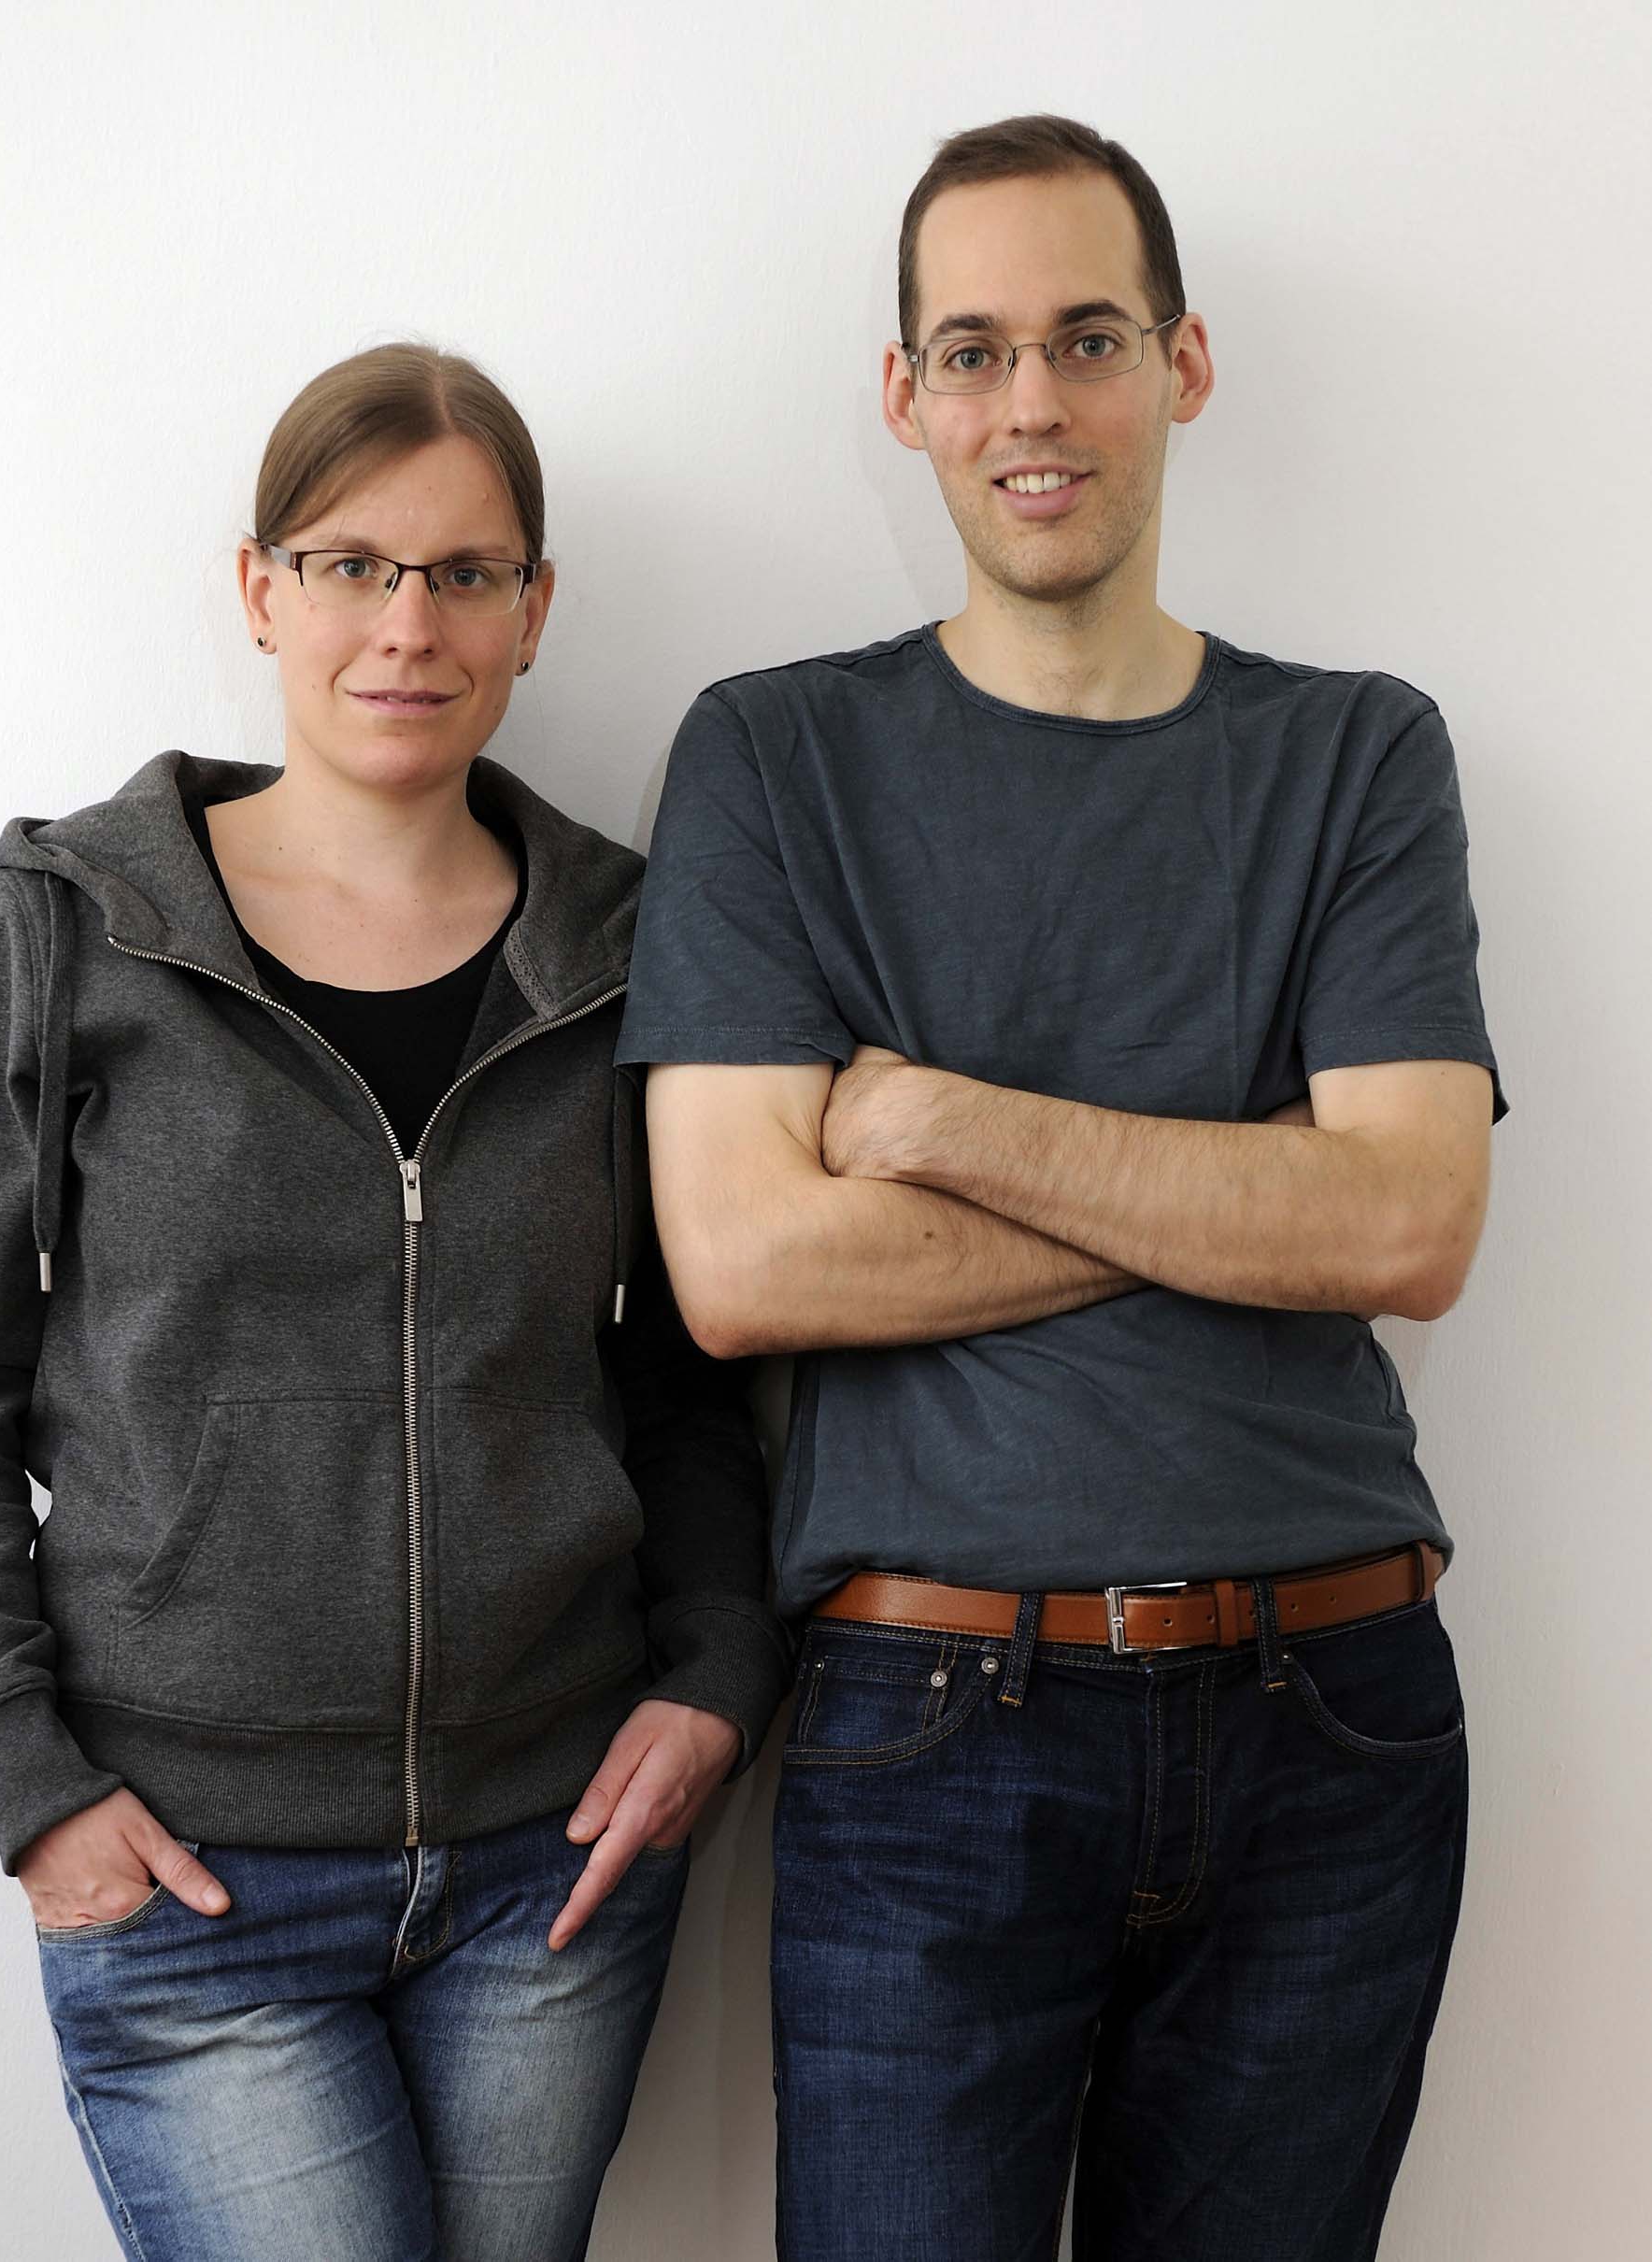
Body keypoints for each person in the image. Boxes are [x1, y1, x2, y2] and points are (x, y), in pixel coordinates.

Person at [618, 115, 1504, 2260]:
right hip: (930, 1730)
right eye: (977, 348)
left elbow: (1406, 1229)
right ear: (905, 394)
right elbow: (739, 1266)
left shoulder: (1354, 754)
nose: (1034, 402)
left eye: (1087, 338)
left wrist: (942, 1119)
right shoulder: (771, 754)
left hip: (1333, 1721)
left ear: (1181, 363)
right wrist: (1235, 1180)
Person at [0, 341, 788, 2262]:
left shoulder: (629, 948)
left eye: (465, 571)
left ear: (534, 611)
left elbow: (684, 1366)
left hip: (551, 1860)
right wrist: (27, 1783)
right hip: (193, 1879)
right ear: (258, 585)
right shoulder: (69, 922)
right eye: (354, 562)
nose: (407, 622)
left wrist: (711, 1678)